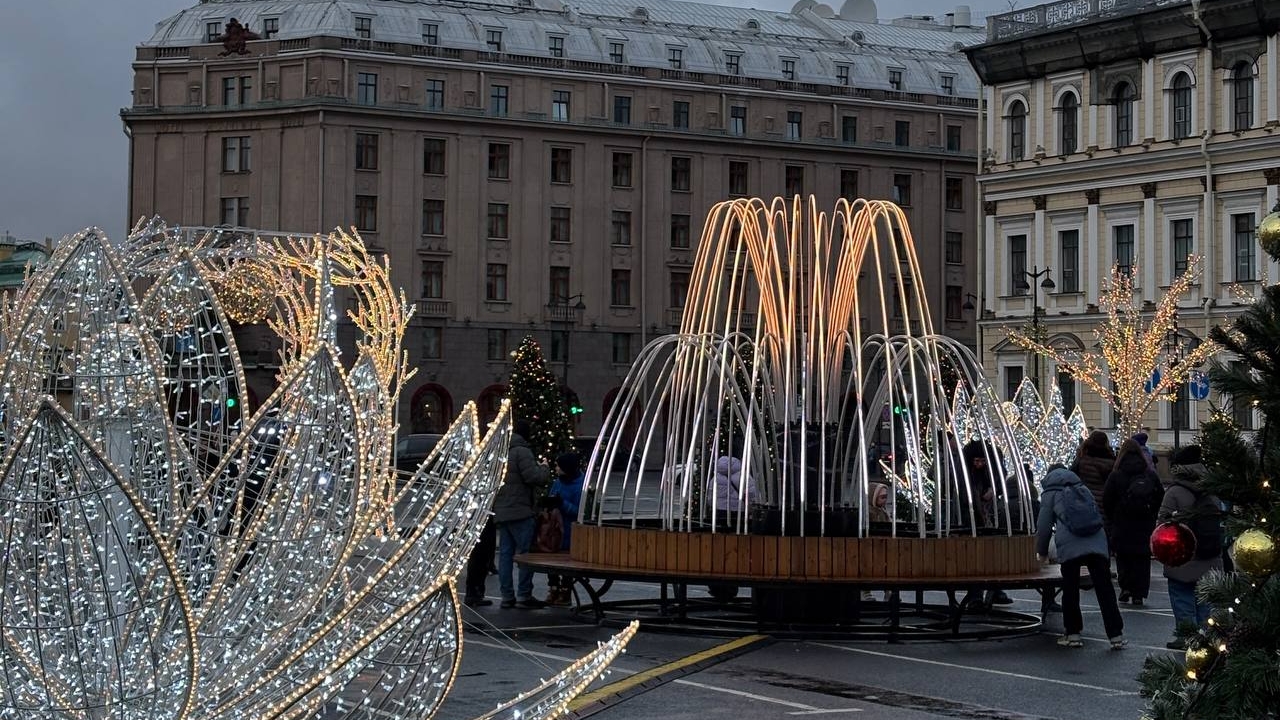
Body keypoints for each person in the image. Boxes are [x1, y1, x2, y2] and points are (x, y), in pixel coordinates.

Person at [1035, 465, 1126, 649]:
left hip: (1070, 545)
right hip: (1096, 541)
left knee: (1070, 589)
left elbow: (1043, 527)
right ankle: (1116, 635)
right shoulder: (1082, 488)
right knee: (1105, 589)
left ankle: (1073, 634)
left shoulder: (1050, 493)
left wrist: (1042, 552)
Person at [1158, 445, 1223, 649]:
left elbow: (1162, 524)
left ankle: (1186, 637)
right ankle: (1207, 638)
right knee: (1206, 602)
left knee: (1182, 599)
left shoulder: (1174, 492)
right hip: (1210, 554)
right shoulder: (1212, 489)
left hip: (1182, 557)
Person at [494, 419, 551, 609]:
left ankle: (506, 596)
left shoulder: (501, 451)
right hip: (520, 510)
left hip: (502, 510)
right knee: (525, 555)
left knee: (505, 555)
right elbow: (533, 477)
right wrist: (544, 467)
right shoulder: (522, 451)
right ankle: (524, 595)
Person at [1103, 439, 1164, 606]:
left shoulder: (1116, 474)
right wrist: (1152, 512)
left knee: (1124, 556)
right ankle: (1139, 593)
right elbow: (1160, 495)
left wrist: (1113, 517)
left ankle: (1125, 588)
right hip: (1144, 523)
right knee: (1142, 559)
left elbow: (1107, 499)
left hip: (1122, 523)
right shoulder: (1149, 474)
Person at [545, 452, 584, 607]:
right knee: (552, 559)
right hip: (555, 529)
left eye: (558, 466)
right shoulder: (558, 482)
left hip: (570, 529)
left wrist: (562, 504)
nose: (556, 468)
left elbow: (579, 510)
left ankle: (566, 590)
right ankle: (553, 587)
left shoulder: (579, 486)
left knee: (567, 561)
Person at [1071, 431, 1115, 516]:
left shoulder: (1082, 460)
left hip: (1084, 502)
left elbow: (1072, 477)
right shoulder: (1110, 462)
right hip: (1103, 504)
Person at [463, 520, 497, 607]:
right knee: (481, 557)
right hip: (483, 524)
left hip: (476, 523)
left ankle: (473, 593)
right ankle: (474, 594)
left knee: (477, 557)